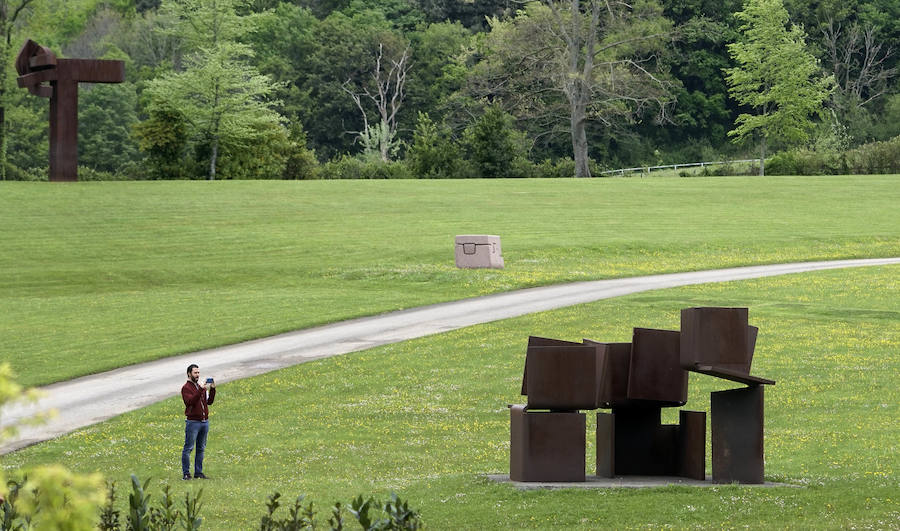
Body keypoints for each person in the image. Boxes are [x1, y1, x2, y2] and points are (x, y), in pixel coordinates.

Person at [181, 364, 216, 480]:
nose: (197, 375)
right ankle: (186, 474)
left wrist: (212, 389)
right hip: (193, 423)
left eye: (198, 373)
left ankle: (198, 473)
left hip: (204, 422)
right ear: (189, 374)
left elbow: (209, 402)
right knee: (189, 448)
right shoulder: (186, 388)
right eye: (195, 373)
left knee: (201, 448)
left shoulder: (201, 387)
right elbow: (190, 402)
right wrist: (201, 389)